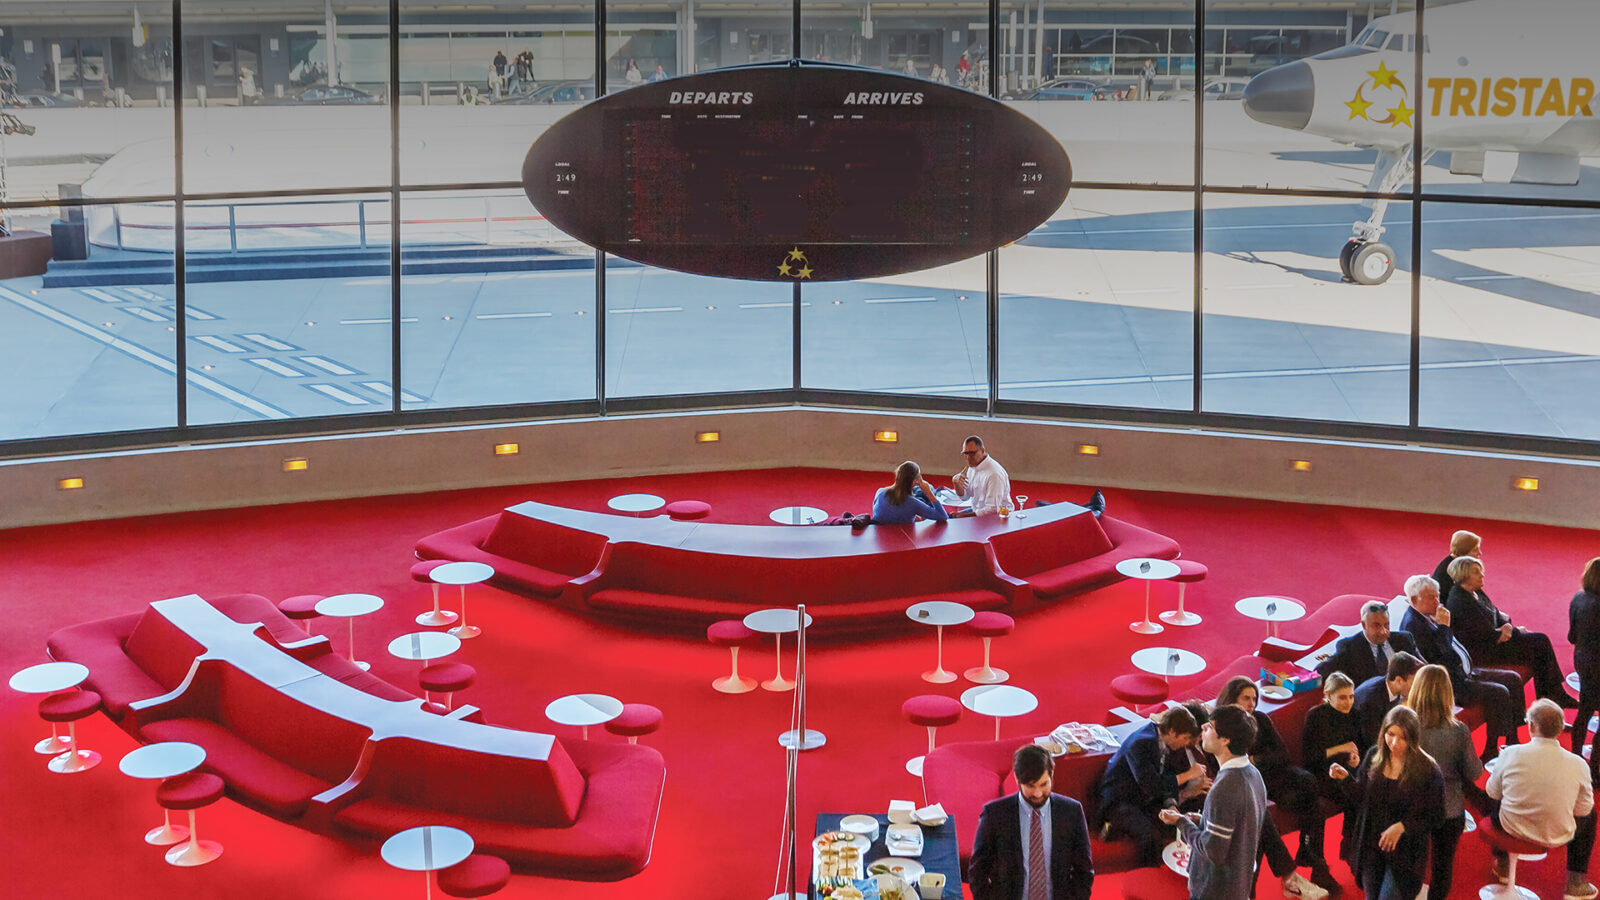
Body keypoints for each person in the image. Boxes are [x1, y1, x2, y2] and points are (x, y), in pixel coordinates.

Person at [1215, 677, 1334, 894]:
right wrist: (1257, 762)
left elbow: (1283, 754)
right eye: (1246, 698)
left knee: (1310, 788)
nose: (1251, 704)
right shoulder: (1222, 727)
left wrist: (1256, 760)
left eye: (1254, 698)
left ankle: (1312, 860)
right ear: (1231, 699)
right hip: (1254, 784)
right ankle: (1307, 866)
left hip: (1276, 775)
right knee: (1302, 807)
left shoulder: (1260, 719)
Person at [1398, 572, 1525, 761]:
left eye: (1438, 595)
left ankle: (1513, 738)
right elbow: (1441, 661)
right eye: (1432, 597)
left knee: (1513, 679)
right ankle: (1491, 749)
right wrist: (1444, 627)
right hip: (1450, 683)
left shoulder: (1428, 615)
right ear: (1415, 599)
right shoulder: (1412, 627)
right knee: (1499, 692)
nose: (1438, 601)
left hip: (1465, 671)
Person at [1485, 699, 1599, 900]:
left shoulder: (1510, 753)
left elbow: (1492, 792)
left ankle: (1502, 863)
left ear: (1530, 726)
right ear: (1561, 728)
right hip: (1558, 831)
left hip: (1512, 827)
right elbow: (1583, 810)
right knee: (1591, 816)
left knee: (1496, 795)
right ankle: (1576, 881)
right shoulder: (1578, 764)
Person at [1330, 705, 1445, 900]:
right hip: (1371, 845)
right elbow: (1363, 799)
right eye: (1390, 734)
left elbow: (1436, 817)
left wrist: (1402, 826)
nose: (1394, 742)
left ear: (1413, 738)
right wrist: (1345, 780)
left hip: (1405, 854)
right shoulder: (1375, 755)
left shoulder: (1428, 770)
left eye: (1402, 737)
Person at [1159, 705, 1267, 900]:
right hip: (1238, 886)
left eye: (1209, 727)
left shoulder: (1224, 787)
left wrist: (1181, 823)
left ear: (1225, 740)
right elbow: (1237, 829)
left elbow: (1213, 851)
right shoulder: (1254, 774)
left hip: (1214, 890)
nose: (1202, 729)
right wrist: (1202, 820)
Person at [1446, 555, 1578, 706]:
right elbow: (1485, 635)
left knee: (1539, 644)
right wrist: (1512, 631)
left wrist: (1509, 628)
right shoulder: (1459, 601)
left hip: (1496, 640)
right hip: (1485, 651)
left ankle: (1551, 697)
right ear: (1464, 576)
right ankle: (1552, 696)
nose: (1482, 575)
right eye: (1476, 572)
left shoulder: (1476, 592)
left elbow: (1495, 613)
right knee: (1539, 643)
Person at [970, 743, 1094, 900]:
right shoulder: (995, 815)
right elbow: (978, 871)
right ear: (1017, 778)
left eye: (1044, 784)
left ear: (1052, 775)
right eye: (1030, 786)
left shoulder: (1071, 812)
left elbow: (1084, 871)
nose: (1037, 793)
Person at [1407, 663, 1484, 900]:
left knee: (1410, 864)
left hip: (1411, 808)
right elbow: (1474, 772)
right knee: (1442, 868)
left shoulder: (1404, 727)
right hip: (1448, 808)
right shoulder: (1458, 730)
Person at [1095, 705, 1205, 866]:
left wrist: (1171, 804)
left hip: (1144, 798)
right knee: (1150, 835)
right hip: (1120, 800)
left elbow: (1166, 776)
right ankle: (1147, 876)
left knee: (1180, 824)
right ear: (1173, 732)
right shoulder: (1141, 743)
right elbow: (1151, 785)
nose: (1186, 743)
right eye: (1186, 738)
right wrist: (1187, 775)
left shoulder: (1168, 743)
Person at [1302, 671, 1365, 858]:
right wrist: (1340, 748)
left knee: (1365, 790)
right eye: (1343, 697)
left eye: (1351, 697)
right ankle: (1350, 846)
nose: (1349, 702)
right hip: (1320, 772)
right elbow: (1309, 757)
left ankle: (1351, 843)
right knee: (1356, 794)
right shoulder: (1315, 716)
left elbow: (1358, 746)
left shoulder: (1355, 714)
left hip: (1346, 770)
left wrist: (1356, 758)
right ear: (1328, 696)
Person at [1315, 600, 1420, 686]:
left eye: (1386, 625)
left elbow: (1421, 666)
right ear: (1364, 625)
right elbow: (1323, 671)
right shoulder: (1349, 647)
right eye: (1377, 626)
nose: (1384, 631)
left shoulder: (1404, 639)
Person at [1569, 558, 1600, 775]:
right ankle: (1595, 769)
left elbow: (1572, 636)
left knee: (1585, 710)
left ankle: (1576, 758)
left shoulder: (1578, 598)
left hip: (1582, 659)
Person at [1353, 652, 1423, 747]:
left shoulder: (1390, 687)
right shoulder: (1372, 701)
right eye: (1414, 683)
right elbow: (1373, 742)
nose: (1417, 688)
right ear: (1398, 680)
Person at [951, 435, 1011, 517]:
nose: (968, 457)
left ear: (982, 451)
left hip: (998, 518)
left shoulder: (994, 474)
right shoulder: (972, 467)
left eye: (972, 453)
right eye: (966, 453)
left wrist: (963, 516)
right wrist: (957, 484)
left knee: (953, 520)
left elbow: (993, 510)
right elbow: (965, 497)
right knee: (948, 518)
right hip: (978, 511)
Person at [872, 461, 949, 525]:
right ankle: (933, 491)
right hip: (903, 538)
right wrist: (928, 492)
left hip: (882, 535)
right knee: (924, 491)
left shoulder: (880, 492)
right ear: (914, 481)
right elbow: (943, 516)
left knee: (918, 492)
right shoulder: (912, 503)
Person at [1430, 528, 1480, 601]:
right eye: (1475, 550)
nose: (1479, 553)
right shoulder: (1455, 569)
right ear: (1464, 551)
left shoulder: (1454, 562)